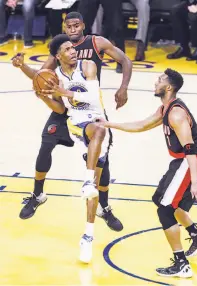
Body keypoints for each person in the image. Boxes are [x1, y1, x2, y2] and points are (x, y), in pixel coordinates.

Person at [12, 12, 132, 231]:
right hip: (66, 108)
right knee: (46, 143)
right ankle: (38, 194)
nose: (73, 30)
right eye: (69, 27)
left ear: (83, 26)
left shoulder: (96, 43)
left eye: (77, 26)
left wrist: (123, 87)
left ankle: (103, 207)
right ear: (65, 28)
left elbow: (125, 60)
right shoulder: (59, 50)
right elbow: (43, 76)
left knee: (102, 162)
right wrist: (23, 67)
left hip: (90, 105)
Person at [99, 68, 197, 277]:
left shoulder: (176, 113)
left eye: (160, 80)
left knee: (165, 209)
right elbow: (142, 124)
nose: (156, 82)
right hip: (186, 161)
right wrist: (110, 124)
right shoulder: (165, 109)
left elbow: (190, 147)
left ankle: (181, 263)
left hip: (194, 160)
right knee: (162, 200)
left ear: (168, 87)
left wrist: (196, 182)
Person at [36, 34, 112, 263]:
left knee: (96, 189)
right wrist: (44, 97)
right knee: (97, 132)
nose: (73, 51)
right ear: (58, 56)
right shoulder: (55, 76)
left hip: (98, 116)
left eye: (73, 47)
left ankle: (87, 236)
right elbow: (60, 109)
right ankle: (86, 180)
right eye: (67, 49)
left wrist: (65, 93)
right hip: (77, 123)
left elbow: (91, 95)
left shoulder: (88, 66)